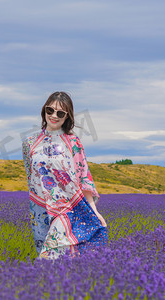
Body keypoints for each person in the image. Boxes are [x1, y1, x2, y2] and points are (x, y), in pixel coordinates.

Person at [22, 91, 108, 259]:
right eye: (50, 110)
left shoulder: (73, 142)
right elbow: (30, 175)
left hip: (67, 207)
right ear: (44, 111)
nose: (54, 116)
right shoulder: (29, 143)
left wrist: (94, 210)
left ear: (67, 116)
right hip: (39, 210)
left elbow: (84, 177)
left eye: (60, 113)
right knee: (57, 255)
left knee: (49, 256)